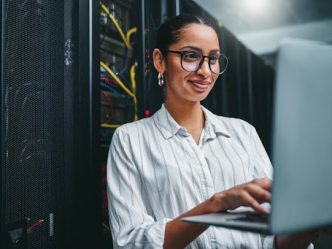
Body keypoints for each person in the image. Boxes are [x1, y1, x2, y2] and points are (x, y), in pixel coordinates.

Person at [107, 14, 321, 249]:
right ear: (159, 60)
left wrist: (312, 221)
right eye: (191, 56)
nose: (205, 72)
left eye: (213, 59)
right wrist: (215, 204)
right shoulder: (130, 140)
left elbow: (275, 240)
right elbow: (130, 243)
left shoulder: (243, 133)